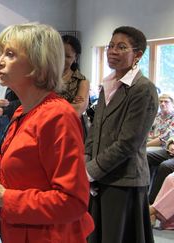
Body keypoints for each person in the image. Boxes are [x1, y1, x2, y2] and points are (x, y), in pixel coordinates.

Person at [0, 23, 94, 243]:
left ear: (38, 64)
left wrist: (5, 197)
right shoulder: (22, 110)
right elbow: (29, 172)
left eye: (9, 54)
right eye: (0, 53)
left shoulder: (58, 116)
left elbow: (73, 201)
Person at [86, 26, 158, 243]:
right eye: (110, 46)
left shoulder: (143, 89)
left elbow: (128, 143)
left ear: (138, 55)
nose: (112, 51)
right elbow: (95, 129)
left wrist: (90, 171)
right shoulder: (107, 85)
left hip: (124, 180)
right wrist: (86, 160)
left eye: (121, 47)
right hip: (99, 177)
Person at [58, 35, 90, 139]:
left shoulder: (82, 81)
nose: (62, 59)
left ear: (75, 58)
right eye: (60, 54)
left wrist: (47, 107)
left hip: (70, 132)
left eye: (67, 56)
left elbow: (77, 110)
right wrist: (69, 104)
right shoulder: (46, 77)